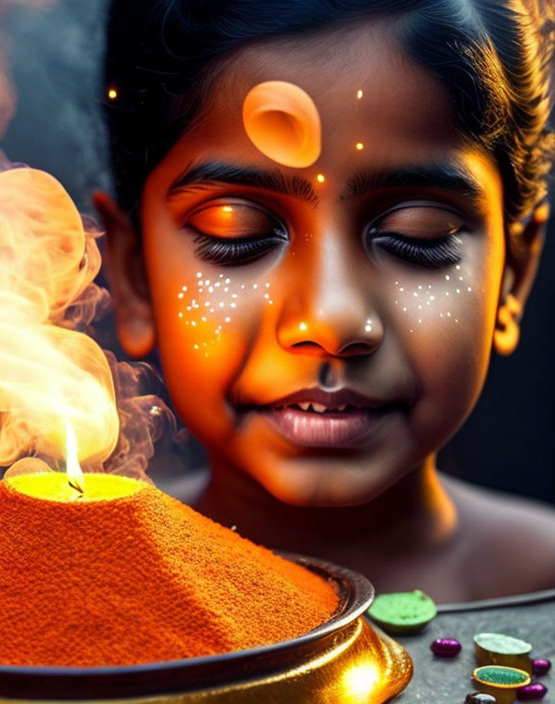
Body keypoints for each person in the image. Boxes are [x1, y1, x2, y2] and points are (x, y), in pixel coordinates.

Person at [94, 0, 555, 602]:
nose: (331, 318)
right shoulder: (80, 593)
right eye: (239, 232)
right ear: (135, 275)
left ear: (513, 276)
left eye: (417, 233)